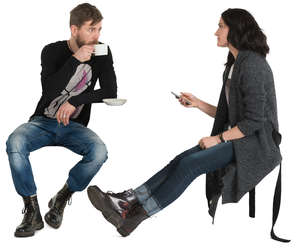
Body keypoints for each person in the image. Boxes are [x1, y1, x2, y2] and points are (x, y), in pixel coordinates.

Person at [87, 8, 289, 242]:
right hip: (242, 136)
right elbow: (230, 114)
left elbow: (254, 122)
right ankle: (127, 203)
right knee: (181, 160)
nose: (216, 32)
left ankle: (134, 216)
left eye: (221, 26)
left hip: (257, 144)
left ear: (236, 30)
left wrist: (218, 139)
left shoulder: (252, 64)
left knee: (189, 165)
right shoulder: (234, 64)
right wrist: (198, 104)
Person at [6, 3, 117, 237]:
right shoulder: (51, 51)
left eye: (99, 29)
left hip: (74, 126)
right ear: (74, 29)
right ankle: (32, 211)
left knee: (99, 152)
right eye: (91, 30)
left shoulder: (103, 51)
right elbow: (49, 91)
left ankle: (61, 198)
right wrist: (75, 59)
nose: (97, 36)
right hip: (42, 122)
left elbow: (110, 92)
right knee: (14, 143)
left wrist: (76, 101)